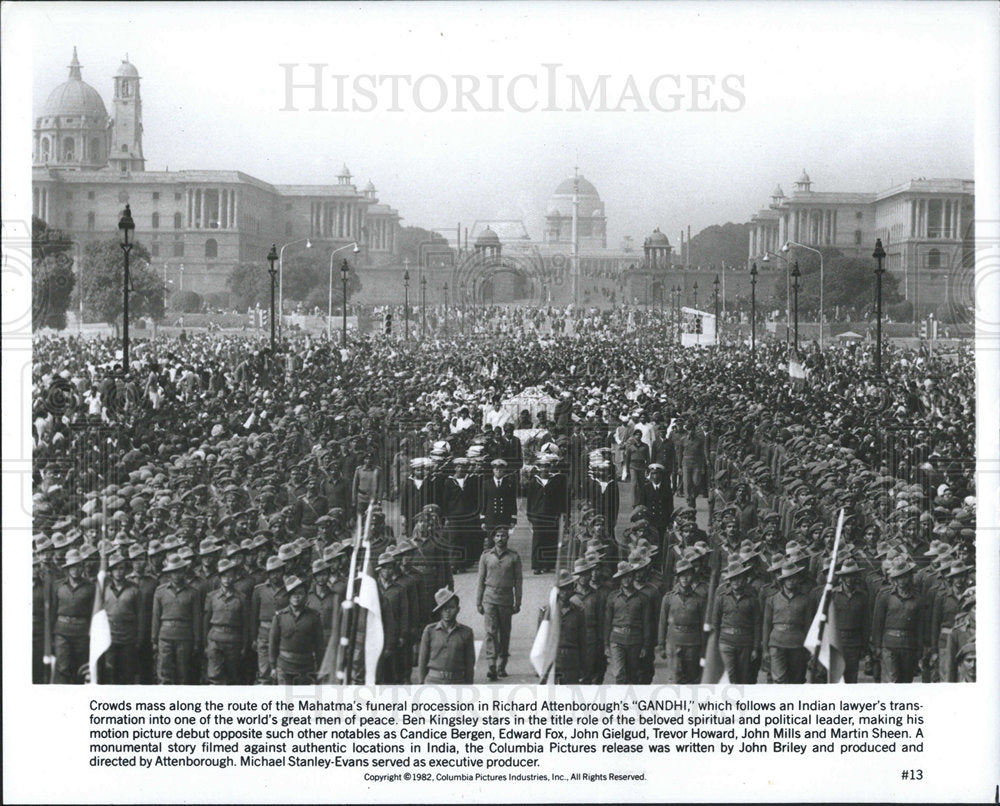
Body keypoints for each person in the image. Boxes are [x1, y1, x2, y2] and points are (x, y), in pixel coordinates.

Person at [871, 555, 928, 683]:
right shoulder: (885, 596)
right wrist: (877, 645)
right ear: (894, 579)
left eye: (905, 576)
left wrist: (920, 648)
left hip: (909, 645)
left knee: (906, 681)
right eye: (899, 577)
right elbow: (877, 622)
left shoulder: (918, 599)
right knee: (892, 680)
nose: (902, 581)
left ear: (910, 577)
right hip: (889, 645)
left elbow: (920, 626)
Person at [476, 526, 523, 681]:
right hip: (490, 597)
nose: (500, 538)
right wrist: (479, 601)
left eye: (503, 536)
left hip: (506, 598)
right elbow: (480, 580)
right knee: (490, 632)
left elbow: (518, 581)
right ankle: (491, 665)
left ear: (507, 538)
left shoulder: (514, 557)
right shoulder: (486, 556)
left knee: (504, 632)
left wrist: (518, 601)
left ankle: (502, 664)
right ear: (493, 538)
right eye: (497, 536)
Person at [151, 552, 203, 685]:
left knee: (183, 673)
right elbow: (156, 616)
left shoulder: (193, 593)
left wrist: (197, 640)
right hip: (165, 636)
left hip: (184, 636)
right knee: (164, 673)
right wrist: (154, 639)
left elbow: (197, 618)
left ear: (184, 572)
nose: (177, 575)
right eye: (174, 572)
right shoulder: (160, 591)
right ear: (169, 574)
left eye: (180, 571)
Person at [762, 559, 817, 684]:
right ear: (782, 580)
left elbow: (808, 626)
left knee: (797, 681)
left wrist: (809, 648)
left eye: (794, 578)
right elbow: (766, 625)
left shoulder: (806, 600)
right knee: (780, 680)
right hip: (776, 643)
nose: (791, 581)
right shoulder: (772, 599)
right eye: (788, 578)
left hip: (797, 643)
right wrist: (765, 649)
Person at [658, 555, 708, 684]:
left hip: (693, 642)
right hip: (674, 641)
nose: (685, 578)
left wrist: (703, 648)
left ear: (693, 576)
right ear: (677, 577)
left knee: (692, 679)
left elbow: (703, 625)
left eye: (688, 574)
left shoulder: (700, 600)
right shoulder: (668, 598)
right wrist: (661, 645)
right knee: (675, 679)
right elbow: (663, 623)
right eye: (682, 575)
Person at [711, 558, 762, 684]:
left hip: (745, 642)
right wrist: (715, 645)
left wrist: (755, 647)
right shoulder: (721, 598)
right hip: (725, 641)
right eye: (733, 578)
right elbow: (715, 623)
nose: (736, 582)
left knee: (743, 677)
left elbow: (757, 624)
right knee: (730, 676)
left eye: (739, 578)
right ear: (729, 580)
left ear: (744, 579)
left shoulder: (752, 599)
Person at [50, 548, 95, 684]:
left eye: (78, 566)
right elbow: (53, 610)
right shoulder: (58, 586)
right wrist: (52, 634)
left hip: (82, 632)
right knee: (63, 668)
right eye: (72, 566)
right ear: (67, 569)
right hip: (61, 632)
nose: (75, 569)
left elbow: (93, 612)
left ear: (82, 567)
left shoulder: (90, 587)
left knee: (80, 669)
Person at [268, 575, 324, 685]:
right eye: (293, 594)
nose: (296, 597)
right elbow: (273, 642)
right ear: (288, 597)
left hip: (306, 667)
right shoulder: (280, 617)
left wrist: (320, 669)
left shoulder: (314, 617)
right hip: (284, 666)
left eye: (300, 593)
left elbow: (319, 645)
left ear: (305, 596)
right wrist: (273, 666)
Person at [202, 557, 249, 685]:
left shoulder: (241, 598)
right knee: (214, 675)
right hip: (215, 639)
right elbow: (206, 621)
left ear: (234, 577)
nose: (227, 579)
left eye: (230, 576)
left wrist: (244, 646)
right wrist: (205, 644)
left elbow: (245, 623)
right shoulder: (211, 597)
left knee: (232, 676)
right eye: (224, 576)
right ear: (220, 578)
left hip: (234, 640)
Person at [604, 561, 652, 684]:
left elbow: (647, 623)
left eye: (629, 576)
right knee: (619, 673)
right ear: (619, 579)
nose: (626, 580)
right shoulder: (612, 597)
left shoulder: (643, 598)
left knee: (633, 675)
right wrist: (606, 644)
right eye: (623, 577)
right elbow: (607, 621)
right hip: (616, 639)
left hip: (635, 639)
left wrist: (645, 645)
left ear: (633, 576)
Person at [418, 588, 476, 685]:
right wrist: (421, 683)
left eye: (451, 607)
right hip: (433, 681)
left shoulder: (466, 632)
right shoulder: (430, 630)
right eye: (443, 608)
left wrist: (469, 686)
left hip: (457, 682)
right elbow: (422, 660)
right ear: (439, 611)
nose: (447, 611)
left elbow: (469, 664)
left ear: (458, 609)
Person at [537, 570, 587, 684]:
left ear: (572, 590)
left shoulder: (578, 612)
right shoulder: (546, 612)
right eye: (562, 589)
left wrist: (584, 666)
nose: (565, 592)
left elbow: (582, 640)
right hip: (553, 659)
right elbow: (540, 641)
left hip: (572, 660)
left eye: (568, 588)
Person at [526, 454, 569, 574]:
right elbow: (530, 499)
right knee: (538, 540)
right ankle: (537, 565)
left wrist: (563, 514)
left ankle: (548, 564)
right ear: (539, 467)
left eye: (547, 466)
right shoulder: (534, 481)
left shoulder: (556, 481)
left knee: (551, 539)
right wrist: (530, 515)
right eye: (542, 466)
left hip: (552, 515)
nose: (545, 469)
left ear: (550, 467)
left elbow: (561, 499)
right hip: (538, 515)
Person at [102, 551, 141, 684]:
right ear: (111, 572)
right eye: (115, 569)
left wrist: (138, 638)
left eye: (121, 568)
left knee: (127, 673)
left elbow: (140, 616)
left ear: (125, 570)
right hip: (110, 637)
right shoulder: (105, 590)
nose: (118, 572)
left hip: (128, 638)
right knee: (109, 672)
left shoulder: (134, 590)